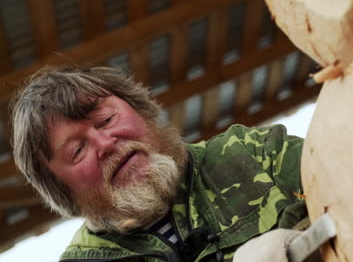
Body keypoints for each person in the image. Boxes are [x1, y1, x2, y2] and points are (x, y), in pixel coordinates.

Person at [11, 66, 307, 262]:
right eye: (76, 151)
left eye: (106, 120)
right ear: (61, 189)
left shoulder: (252, 152)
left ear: (141, 111)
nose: (105, 144)